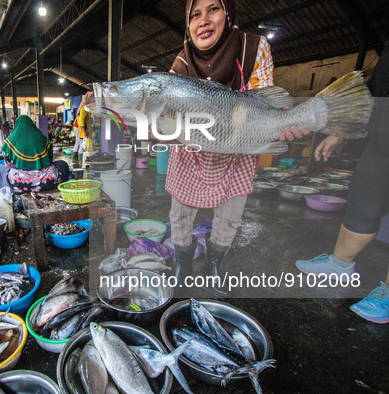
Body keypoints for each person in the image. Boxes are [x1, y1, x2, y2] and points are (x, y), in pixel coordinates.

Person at [164, 0, 308, 296]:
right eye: (195, 15)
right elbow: (167, 115)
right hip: (191, 148)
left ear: (228, 14)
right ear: (188, 25)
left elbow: (261, 104)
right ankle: (183, 264)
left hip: (238, 146)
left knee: (230, 213)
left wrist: (282, 122)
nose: (203, 21)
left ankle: (213, 264)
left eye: (213, 9)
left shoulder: (254, 48)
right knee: (180, 212)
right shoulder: (181, 62)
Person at [295, 42, 389, 324]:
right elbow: (377, 88)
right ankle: (340, 264)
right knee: (363, 202)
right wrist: (345, 130)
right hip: (382, 137)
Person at [0, 115, 70, 194]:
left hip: (20, 184)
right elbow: (49, 159)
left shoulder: (10, 140)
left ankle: (0, 195)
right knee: (63, 164)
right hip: (48, 181)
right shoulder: (42, 138)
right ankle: (63, 190)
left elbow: (8, 164)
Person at [72, 92, 95, 166]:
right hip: (80, 127)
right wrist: (84, 131)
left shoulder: (85, 105)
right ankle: (80, 161)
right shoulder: (84, 107)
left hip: (78, 126)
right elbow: (81, 120)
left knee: (78, 142)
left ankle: (75, 159)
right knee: (82, 143)